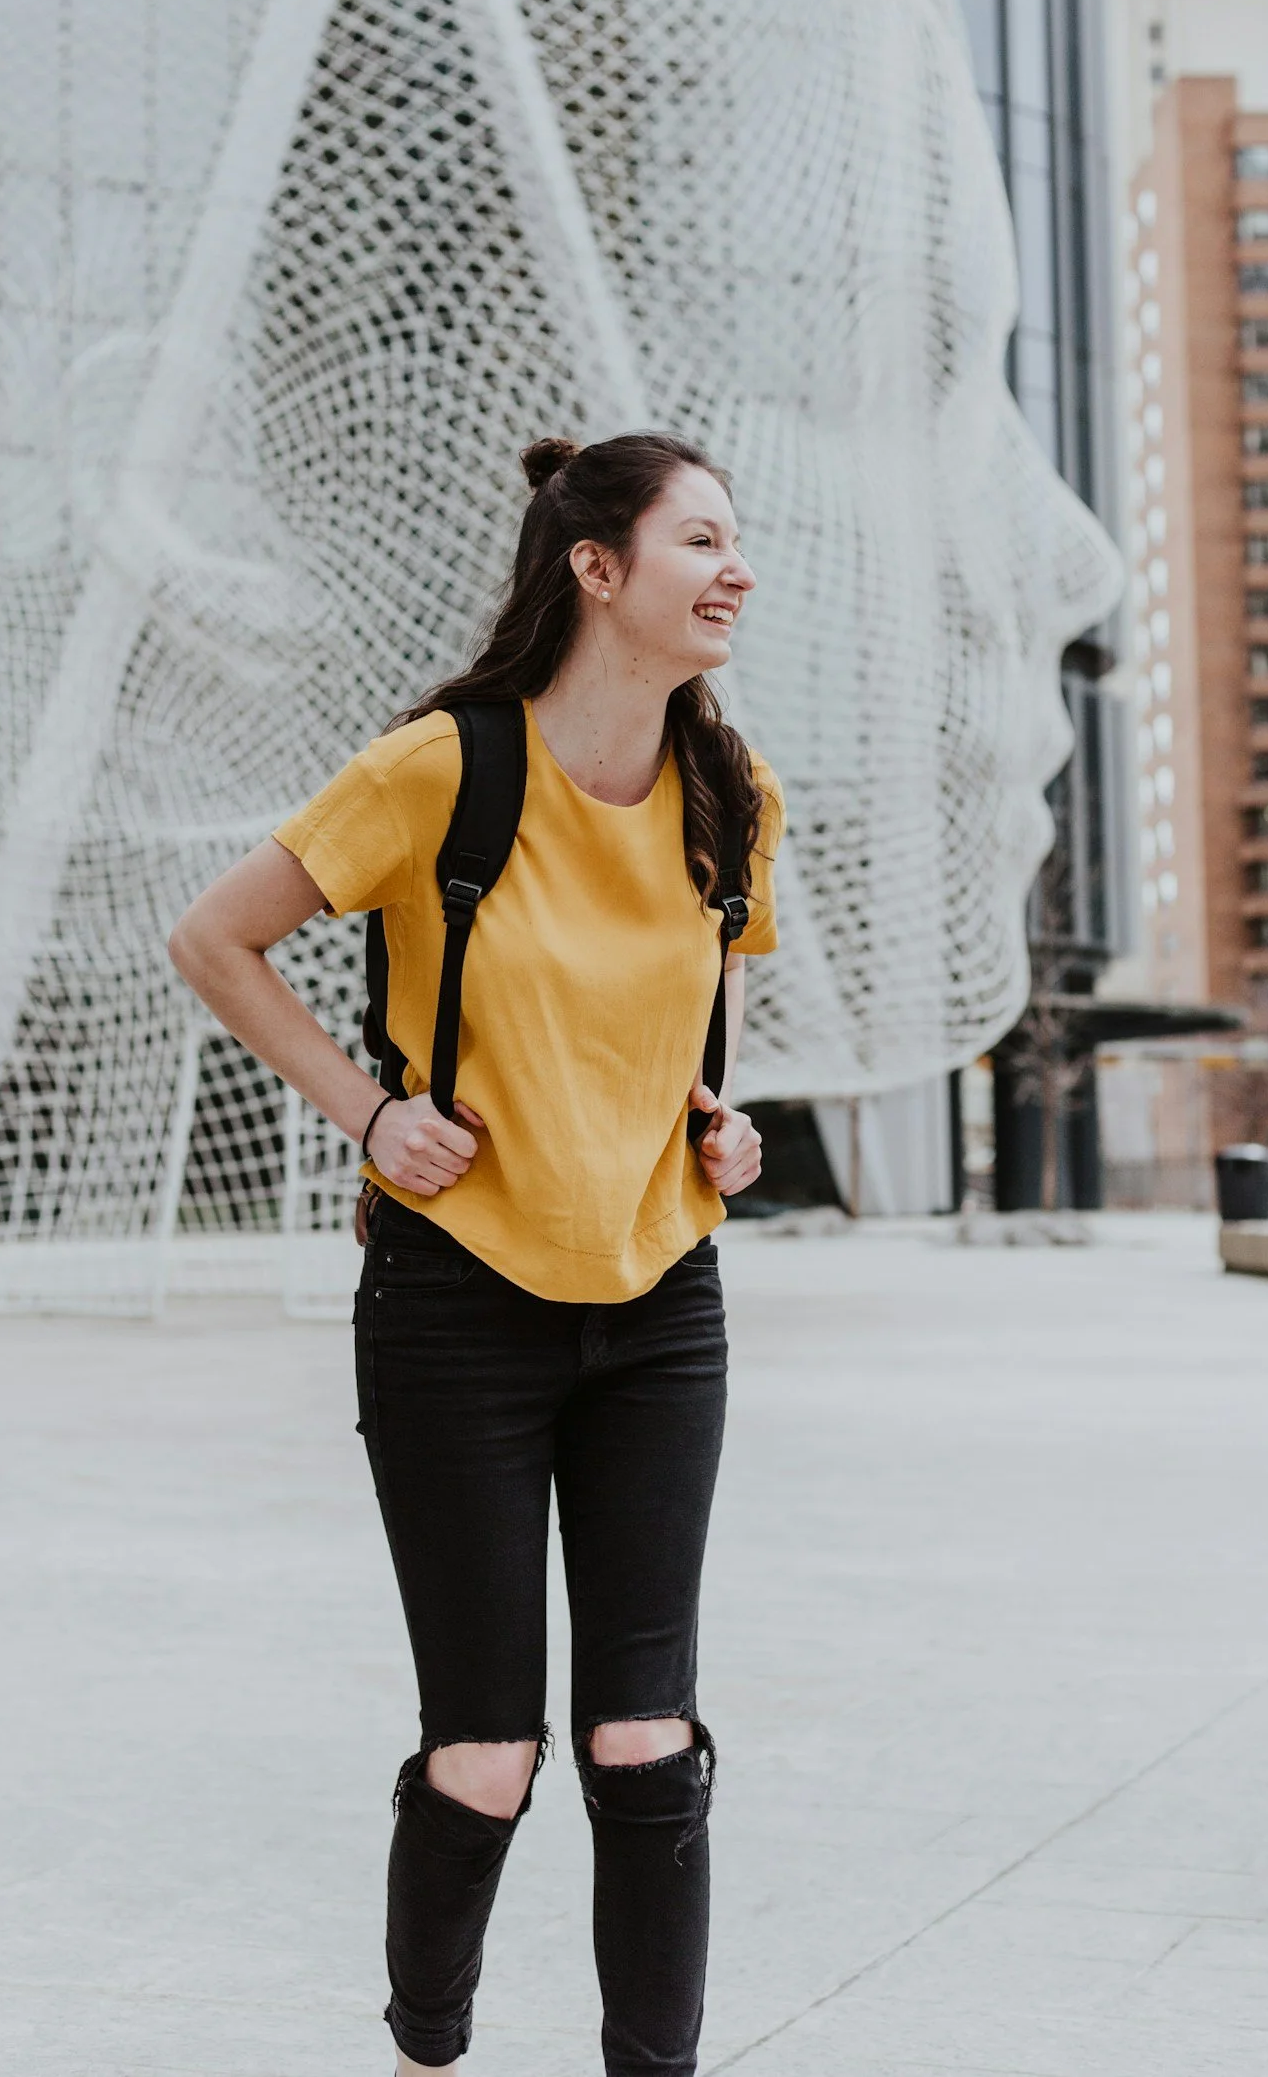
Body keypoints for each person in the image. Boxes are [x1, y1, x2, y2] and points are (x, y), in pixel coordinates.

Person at [168, 430, 783, 2076]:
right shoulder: (444, 766)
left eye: (739, 545)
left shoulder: (730, 788)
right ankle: (428, 2049)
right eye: (701, 542)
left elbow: (716, 978)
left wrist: (724, 1120)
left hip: (663, 1299)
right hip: (456, 1310)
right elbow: (213, 938)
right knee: (489, 1749)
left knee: (644, 1740)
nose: (736, 571)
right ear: (596, 567)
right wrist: (371, 1117)